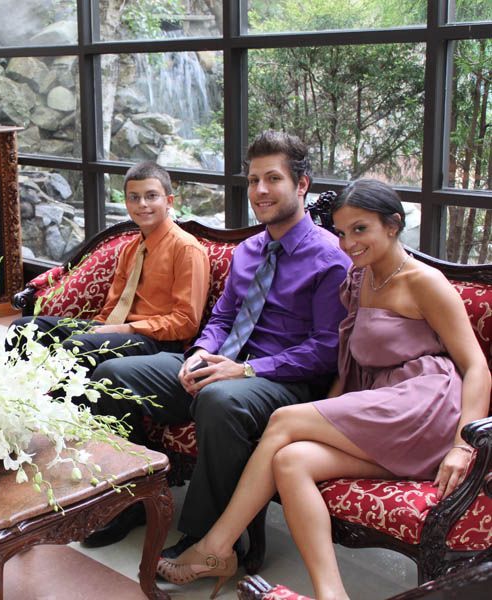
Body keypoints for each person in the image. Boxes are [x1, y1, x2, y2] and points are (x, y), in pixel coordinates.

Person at [156, 179, 491, 599]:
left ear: (393, 225)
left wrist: (464, 445)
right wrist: (329, 408)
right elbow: (350, 362)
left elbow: (477, 366)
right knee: (292, 461)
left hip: (425, 406)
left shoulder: (425, 282)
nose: (348, 242)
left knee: (283, 420)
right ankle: (331, 594)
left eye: (361, 229)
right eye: (342, 230)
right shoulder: (360, 276)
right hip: (381, 410)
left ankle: (215, 547)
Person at [82, 131, 351, 549]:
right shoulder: (249, 250)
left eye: (273, 179)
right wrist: (202, 353)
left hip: (283, 380)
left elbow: (325, 350)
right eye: (253, 180)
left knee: (219, 399)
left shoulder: (330, 259)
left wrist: (245, 369)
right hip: (223, 364)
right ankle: (131, 501)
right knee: (111, 374)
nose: (260, 190)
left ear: (301, 185)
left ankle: (210, 537)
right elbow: (223, 316)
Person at [7, 160, 210, 370]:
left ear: (169, 201)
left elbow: (186, 323)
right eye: (134, 197)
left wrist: (127, 329)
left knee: (76, 346)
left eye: (151, 196)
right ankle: (26, 397)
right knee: (23, 329)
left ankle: (64, 402)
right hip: (118, 329)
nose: (142, 204)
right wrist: (95, 329)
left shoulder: (186, 249)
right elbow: (112, 308)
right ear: (126, 202)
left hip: (160, 341)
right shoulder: (131, 249)